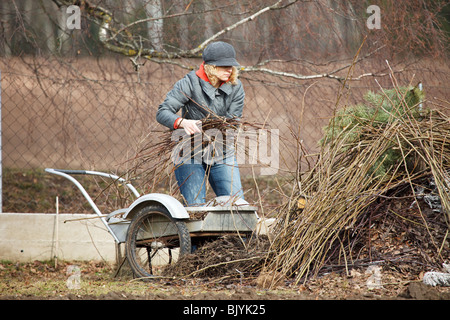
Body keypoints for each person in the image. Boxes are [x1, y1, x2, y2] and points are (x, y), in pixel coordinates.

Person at [156, 41, 245, 206]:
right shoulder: (189, 82)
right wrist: (182, 122)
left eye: (231, 65)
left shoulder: (236, 87)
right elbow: (162, 112)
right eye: (224, 66)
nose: (230, 70)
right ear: (211, 67)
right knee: (196, 207)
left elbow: (233, 122)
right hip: (189, 152)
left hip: (222, 151)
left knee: (237, 205)